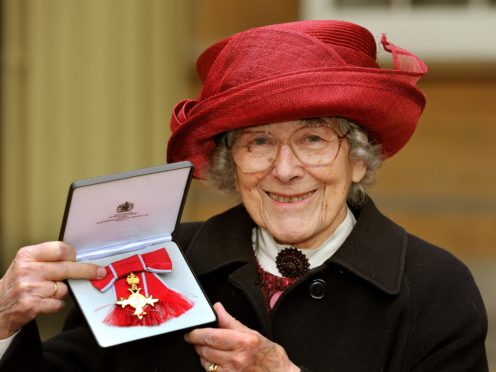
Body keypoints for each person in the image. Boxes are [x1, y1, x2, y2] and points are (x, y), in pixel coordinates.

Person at [0, 20, 488, 372]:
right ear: (229, 165)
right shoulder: (154, 264)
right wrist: (3, 323)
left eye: (313, 139)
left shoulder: (433, 289)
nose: (285, 170)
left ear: (358, 159)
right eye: (259, 142)